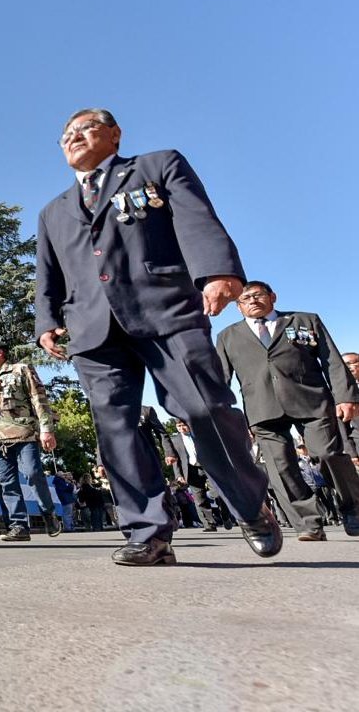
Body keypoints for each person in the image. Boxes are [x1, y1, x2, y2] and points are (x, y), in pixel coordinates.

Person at [35, 107, 280, 565]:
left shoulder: (157, 166)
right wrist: (46, 321)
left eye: (85, 128)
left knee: (203, 408)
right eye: (65, 134)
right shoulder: (53, 211)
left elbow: (196, 219)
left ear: (115, 134)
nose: (72, 137)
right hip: (92, 330)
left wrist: (217, 271)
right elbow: (47, 273)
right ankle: (148, 533)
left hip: (166, 309)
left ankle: (250, 505)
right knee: (115, 428)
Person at [216, 281, 359, 539]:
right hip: (262, 409)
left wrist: (346, 397)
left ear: (273, 297)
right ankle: (308, 524)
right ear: (238, 307)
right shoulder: (228, 336)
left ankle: (353, 508)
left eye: (258, 295)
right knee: (281, 468)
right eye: (245, 298)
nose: (252, 300)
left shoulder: (304, 320)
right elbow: (220, 378)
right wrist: (217, 413)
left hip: (312, 402)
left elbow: (332, 360)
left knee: (327, 454)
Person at [0, 339, 62, 541]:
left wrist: (46, 430)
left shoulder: (21, 370)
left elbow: (39, 399)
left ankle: (48, 513)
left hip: (23, 433)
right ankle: (18, 526)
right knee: (7, 483)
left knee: (33, 474)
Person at [164, 419, 221, 532]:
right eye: (179, 426)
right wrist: (179, 475)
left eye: (183, 425)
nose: (181, 428)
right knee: (199, 498)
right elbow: (175, 460)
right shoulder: (175, 440)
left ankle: (225, 513)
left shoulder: (200, 435)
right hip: (191, 470)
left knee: (217, 493)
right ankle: (209, 524)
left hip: (208, 468)